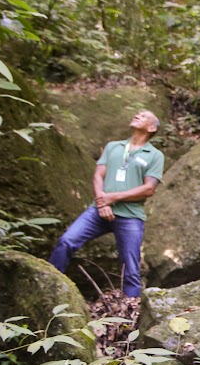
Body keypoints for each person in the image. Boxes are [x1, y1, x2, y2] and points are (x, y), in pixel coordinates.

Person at [48, 110, 165, 298]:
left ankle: (131, 310)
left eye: (143, 116)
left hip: (130, 216)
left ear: (152, 128)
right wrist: (103, 204)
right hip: (98, 211)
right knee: (67, 241)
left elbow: (149, 189)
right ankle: (49, 286)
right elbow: (98, 175)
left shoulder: (155, 155)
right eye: (137, 114)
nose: (137, 116)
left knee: (131, 269)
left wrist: (113, 197)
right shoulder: (113, 147)